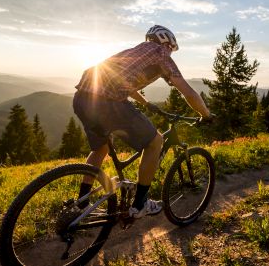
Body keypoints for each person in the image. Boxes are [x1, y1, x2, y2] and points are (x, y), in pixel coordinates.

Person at [73, 25, 212, 218]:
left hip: (82, 98)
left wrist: (146, 103)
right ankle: (140, 205)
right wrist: (206, 114)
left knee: (100, 149)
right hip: (108, 102)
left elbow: (124, 82)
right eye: (171, 48)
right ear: (168, 43)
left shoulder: (136, 51)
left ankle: (81, 202)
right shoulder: (161, 54)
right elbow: (188, 92)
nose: (170, 51)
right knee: (155, 142)